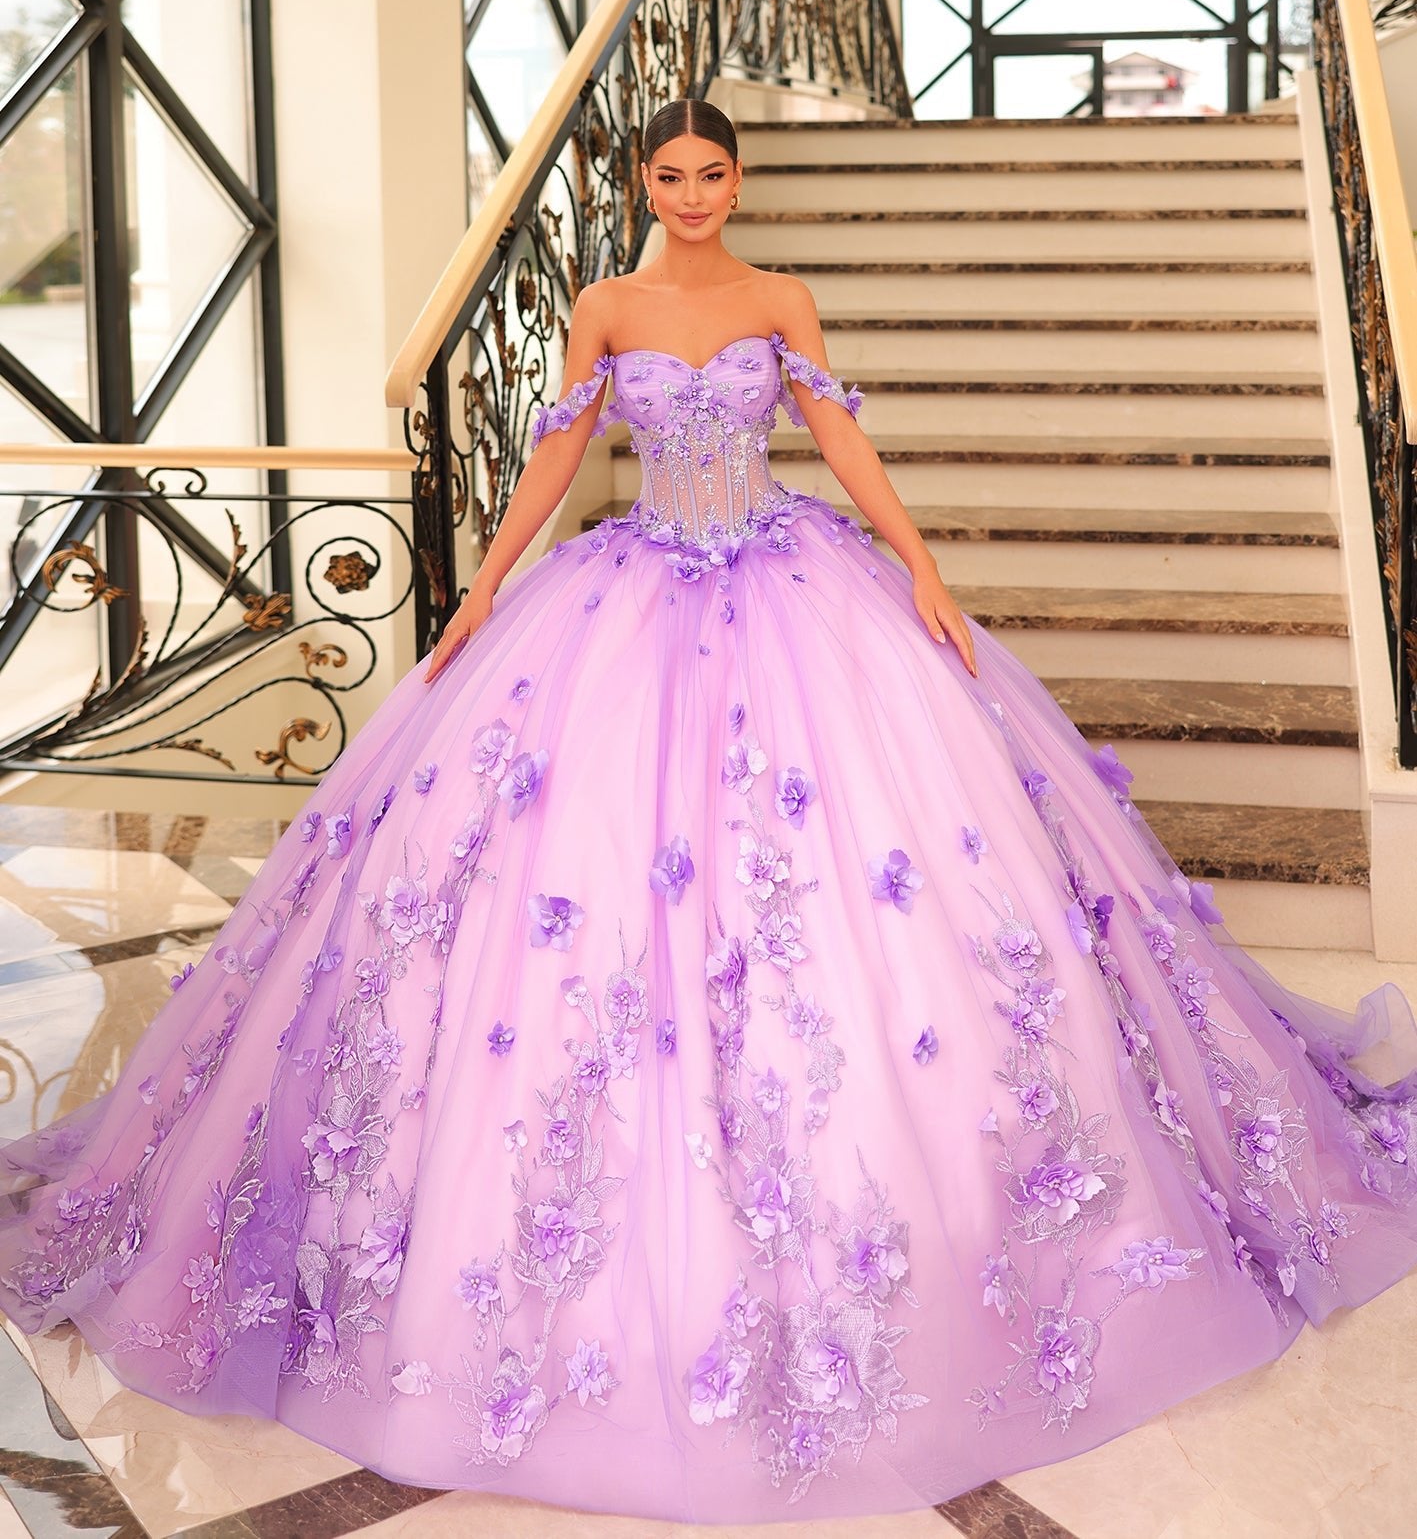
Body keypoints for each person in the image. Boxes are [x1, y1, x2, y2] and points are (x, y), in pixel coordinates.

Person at [2, 96, 1415, 1525]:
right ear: (642, 181)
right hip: (621, 605)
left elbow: (834, 439)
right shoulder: (603, 304)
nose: (692, 191)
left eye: (713, 171)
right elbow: (555, 454)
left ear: (737, 179)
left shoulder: (780, 296)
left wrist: (917, 561)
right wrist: (486, 588)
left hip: (790, 591)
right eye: (670, 172)